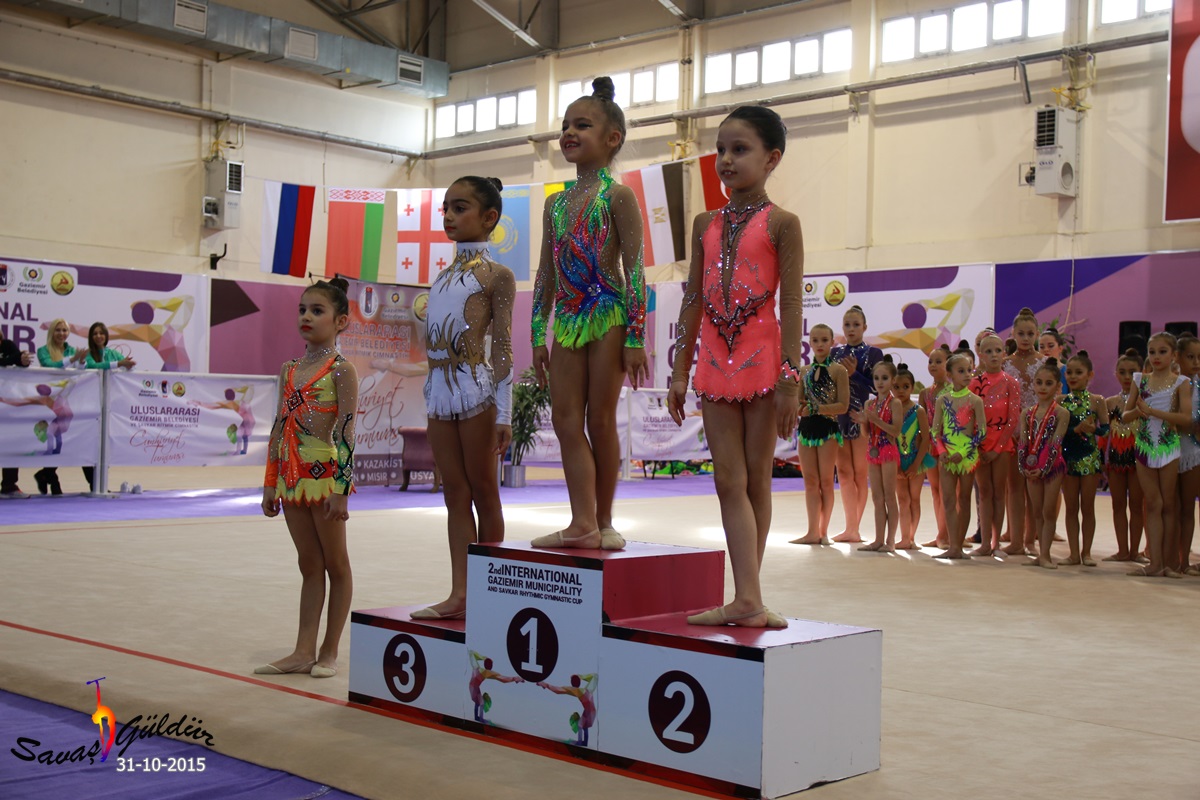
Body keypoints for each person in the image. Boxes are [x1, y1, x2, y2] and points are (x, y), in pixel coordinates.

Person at [668, 105, 801, 628]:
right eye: (720, 149)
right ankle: (747, 598)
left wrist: (790, 379)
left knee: (756, 481)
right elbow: (692, 300)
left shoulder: (783, 224)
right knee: (728, 480)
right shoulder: (705, 223)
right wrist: (680, 370)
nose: (726, 159)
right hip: (714, 360)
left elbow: (791, 303)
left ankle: (749, 596)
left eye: (739, 149)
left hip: (763, 361)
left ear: (772, 159)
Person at [530, 77, 649, 551]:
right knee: (564, 420)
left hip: (607, 315)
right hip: (568, 320)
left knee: (599, 419)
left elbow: (635, 269)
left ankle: (604, 521)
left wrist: (635, 336)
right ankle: (581, 521)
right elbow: (545, 273)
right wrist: (538, 334)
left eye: (582, 125)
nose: (569, 133)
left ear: (612, 138)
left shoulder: (618, 196)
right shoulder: (554, 204)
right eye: (566, 126)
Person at [412, 177, 515, 621]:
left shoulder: (498, 276)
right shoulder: (439, 278)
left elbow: (504, 346)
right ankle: (460, 592)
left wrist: (505, 412)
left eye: (460, 208)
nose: (449, 217)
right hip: (439, 391)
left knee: (485, 492)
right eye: (446, 209)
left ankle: (491, 592)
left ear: (489, 218)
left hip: (476, 390)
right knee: (454, 493)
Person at [257, 278, 358, 678]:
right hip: (291, 477)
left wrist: (342, 489)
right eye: (302, 309)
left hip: (324, 476)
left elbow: (347, 432)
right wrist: (270, 481)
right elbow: (278, 427)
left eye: (317, 311)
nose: (307, 317)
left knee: (336, 564)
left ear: (341, 321)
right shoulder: (289, 370)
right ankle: (302, 650)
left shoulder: (342, 370)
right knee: (309, 564)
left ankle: (329, 650)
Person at [1123, 332, 1190, 578]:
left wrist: (1153, 411)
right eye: (1152, 352)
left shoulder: (1181, 382)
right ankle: (1155, 563)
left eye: (1162, 352)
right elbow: (1125, 415)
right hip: (1144, 446)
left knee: (1169, 504)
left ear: (1174, 355)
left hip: (1168, 445)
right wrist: (1139, 412)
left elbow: (1185, 418)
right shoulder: (1140, 380)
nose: (1156, 357)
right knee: (1154, 503)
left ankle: (1170, 563)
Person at [790, 323, 848, 546]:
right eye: (815, 340)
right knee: (810, 481)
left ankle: (824, 532)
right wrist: (800, 408)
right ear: (810, 343)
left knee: (826, 481)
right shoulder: (804, 371)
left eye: (824, 340)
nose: (820, 344)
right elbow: (798, 402)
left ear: (832, 342)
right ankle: (812, 531)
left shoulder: (838, 371)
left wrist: (817, 408)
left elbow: (843, 405)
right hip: (807, 429)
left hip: (828, 429)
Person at [830, 305, 882, 543]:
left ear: (864, 327)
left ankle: (855, 528)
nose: (851, 329)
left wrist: (855, 375)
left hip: (862, 416)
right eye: (847, 325)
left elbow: (878, 388)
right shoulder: (834, 354)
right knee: (843, 472)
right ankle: (849, 526)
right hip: (839, 416)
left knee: (860, 473)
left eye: (856, 325)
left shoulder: (874, 354)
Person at [968, 333, 1019, 556]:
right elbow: (969, 416)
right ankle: (985, 543)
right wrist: (977, 444)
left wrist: (998, 448)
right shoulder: (974, 383)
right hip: (980, 444)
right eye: (988, 351)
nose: (994, 355)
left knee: (999, 493)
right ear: (981, 355)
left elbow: (1013, 419)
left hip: (1002, 445)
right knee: (984, 492)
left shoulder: (1011, 383)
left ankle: (996, 544)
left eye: (998, 351)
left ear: (1004, 353)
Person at [930, 352, 985, 559]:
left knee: (964, 499)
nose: (967, 374)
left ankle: (959, 546)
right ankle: (953, 546)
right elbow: (935, 431)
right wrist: (942, 452)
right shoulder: (943, 400)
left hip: (967, 456)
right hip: (947, 457)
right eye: (961, 371)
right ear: (950, 375)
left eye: (969, 370)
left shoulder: (975, 401)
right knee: (948, 500)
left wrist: (963, 453)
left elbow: (981, 432)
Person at [1017, 358, 1069, 569]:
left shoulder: (1061, 413)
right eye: (1039, 382)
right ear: (1033, 384)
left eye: (1048, 383)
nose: (1043, 387)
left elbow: (1056, 443)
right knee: (1036, 511)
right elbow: (1022, 443)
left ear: (1058, 387)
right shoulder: (1027, 413)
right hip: (1031, 467)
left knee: (1048, 511)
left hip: (1052, 467)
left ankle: (1046, 555)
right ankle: (1040, 555)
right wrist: (1024, 467)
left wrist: (1044, 468)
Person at [1001, 307, 1044, 555]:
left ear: (1037, 334)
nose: (1026, 338)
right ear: (1013, 334)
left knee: (1034, 489)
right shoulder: (1005, 364)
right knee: (1014, 487)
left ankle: (1031, 540)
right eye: (1021, 333)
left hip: (1039, 431)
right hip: (1013, 432)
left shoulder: (1045, 364)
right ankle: (1016, 540)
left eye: (1030, 333)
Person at [1059, 351, 1107, 566]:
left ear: (1090, 375)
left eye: (1078, 372)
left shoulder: (1097, 401)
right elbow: (1057, 432)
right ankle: (1073, 553)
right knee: (1071, 508)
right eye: (1069, 372)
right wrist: (1075, 429)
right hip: (1068, 457)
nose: (1073, 376)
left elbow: (1106, 430)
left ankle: (1086, 552)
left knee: (1088, 507)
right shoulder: (1060, 401)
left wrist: (1093, 430)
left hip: (1089, 457)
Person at [853, 357, 902, 552]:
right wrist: (863, 422)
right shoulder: (869, 404)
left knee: (890, 496)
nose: (880, 382)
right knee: (877, 497)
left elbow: (896, 431)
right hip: (873, 451)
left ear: (893, 380)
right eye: (876, 378)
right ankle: (878, 539)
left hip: (888, 450)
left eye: (884, 378)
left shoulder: (895, 403)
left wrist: (876, 420)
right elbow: (866, 434)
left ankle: (890, 541)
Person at [34, 319, 86, 495]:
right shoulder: (43, 350)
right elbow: (49, 365)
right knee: (53, 433)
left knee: (62, 431)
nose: (62, 333)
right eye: (58, 330)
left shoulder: (72, 350)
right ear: (51, 332)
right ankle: (50, 477)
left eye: (64, 330)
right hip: (50, 398)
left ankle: (46, 474)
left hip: (66, 397)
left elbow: (82, 369)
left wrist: (81, 361)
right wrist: (72, 360)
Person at [1104, 349, 1145, 562]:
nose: (1127, 377)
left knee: (1137, 506)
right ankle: (1122, 550)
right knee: (1118, 505)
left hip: (1138, 459)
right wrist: (1102, 458)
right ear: (1116, 374)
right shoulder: (1110, 402)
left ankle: (1135, 551)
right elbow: (1104, 434)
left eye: (1132, 372)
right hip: (1116, 459)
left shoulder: (1144, 402)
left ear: (1141, 374)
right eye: (1122, 372)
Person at [893, 362, 933, 550]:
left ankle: (911, 537)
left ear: (912, 387)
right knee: (902, 499)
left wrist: (916, 464)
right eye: (896, 387)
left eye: (905, 386)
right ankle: (904, 537)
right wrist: (895, 464)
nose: (901, 391)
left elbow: (926, 439)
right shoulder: (890, 410)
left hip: (917, 459)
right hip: (896, 460)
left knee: (914, 499)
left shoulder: (919, 411)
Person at [919, 345, 951, 548]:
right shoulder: (924, 392)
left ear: (948, 364)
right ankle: (941, 533)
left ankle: (948, 534)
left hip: (948, 445)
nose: (933, 365)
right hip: (931, 445)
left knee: (948, 491)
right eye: (931, 361)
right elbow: (922, 422)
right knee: (935, 489)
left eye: (938, 361)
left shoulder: (954, 391)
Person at [1175, 335, 1200, 574]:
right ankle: (1173, 558)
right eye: (1191, 357)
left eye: (1199, 357)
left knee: (1188, 507)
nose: (1196, 362)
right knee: (1173, 507)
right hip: (1171, 450)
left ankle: (1185, 561)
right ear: (1178, 357)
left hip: (1194, 451)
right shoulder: (1172, 384)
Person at [0, 328, 33, 498]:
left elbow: (20, 361)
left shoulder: (6, 344)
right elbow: (13, 358)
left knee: (11, 440)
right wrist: (15, 358)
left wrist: (24, 360)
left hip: (6, 404)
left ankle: (9, 485)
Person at [537, 674, 597, 746]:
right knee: (584, 726)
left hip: (589, 712)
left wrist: (545, 684)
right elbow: (595, 676)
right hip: (591, 711)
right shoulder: (588, 689)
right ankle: (584, 743)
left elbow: (557, 690)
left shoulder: (577, 691)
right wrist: (581, 677)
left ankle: (580, 742)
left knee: (580, 725)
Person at [1039, 327, 1069, 393]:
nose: (1046, 349)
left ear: (1060, 348)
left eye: (1050, 346)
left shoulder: (1067, 371)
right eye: (1042, 347)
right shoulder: (1036, 371)